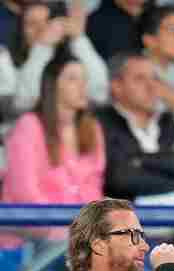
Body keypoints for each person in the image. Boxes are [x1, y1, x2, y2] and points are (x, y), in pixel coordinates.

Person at [98, 52, 174, 204]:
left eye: (154, 78)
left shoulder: (166, 122)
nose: (151, 87)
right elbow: (119, 177)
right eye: (140, 79)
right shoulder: (101, 123)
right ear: (116, 86)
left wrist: (140, 160)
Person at [3, 55, 105, 208]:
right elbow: (24, 192)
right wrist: (57, 221)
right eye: (72, 79)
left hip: (81, 220)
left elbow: (94, 186)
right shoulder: (29, 125)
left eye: (85, 79)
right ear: (52, 85)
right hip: (36, 219)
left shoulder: (93, 128)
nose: (83, 86)